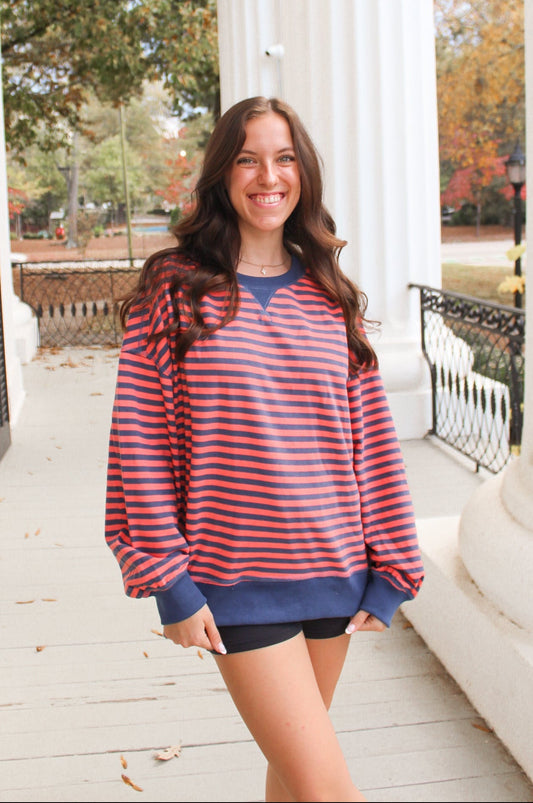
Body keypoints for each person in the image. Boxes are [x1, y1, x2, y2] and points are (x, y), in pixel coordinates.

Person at [105, 96, 424, 802]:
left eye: (283, 158)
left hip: (334, 572)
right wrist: (168, 577)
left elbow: (369, 443)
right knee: (326, 788)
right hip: (236, 579)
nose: (266, 176)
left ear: (302, 174)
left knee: (293, 781)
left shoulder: (330, 293)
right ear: (222, 174)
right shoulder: (176, 288)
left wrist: (394, 566)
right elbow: (140, 441)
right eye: (247, 158)